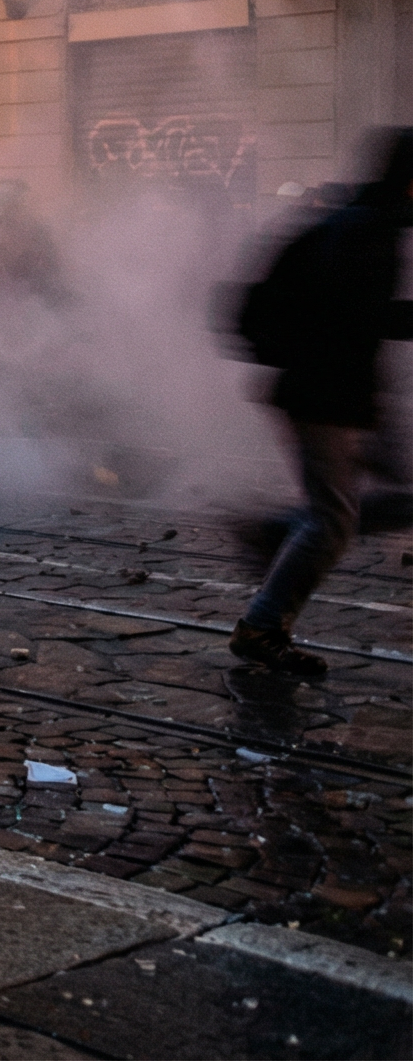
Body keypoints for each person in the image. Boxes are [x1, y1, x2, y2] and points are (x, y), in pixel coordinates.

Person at [225, 127, 413, 680]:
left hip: (319, 390)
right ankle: (262, 627)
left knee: (344, 511)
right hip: (323, 394)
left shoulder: (360, 221)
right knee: (334, 518)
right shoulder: (368, 232)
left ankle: (276, 532)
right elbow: (357, 324)